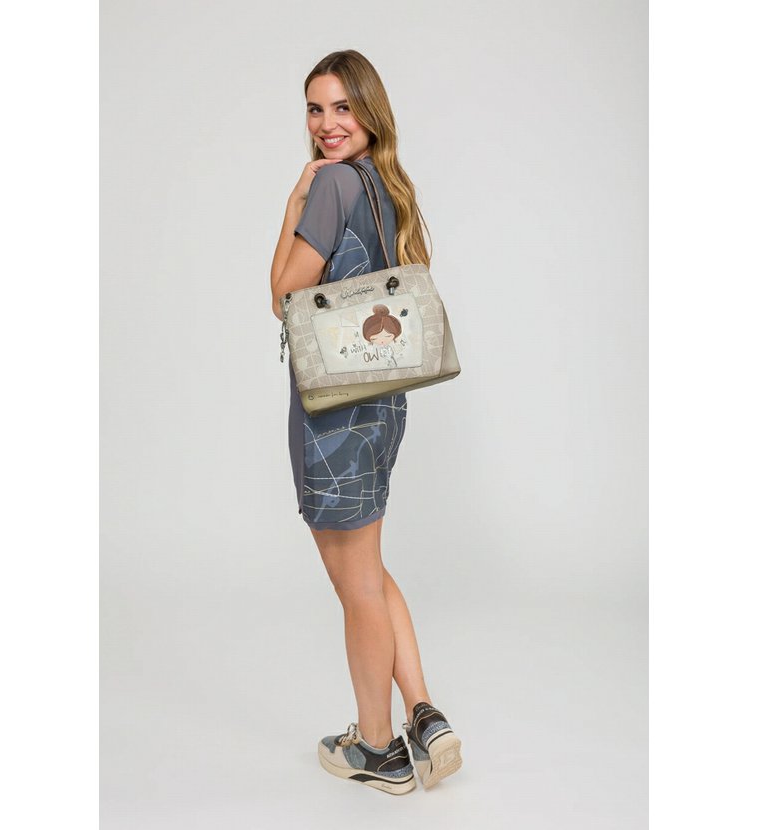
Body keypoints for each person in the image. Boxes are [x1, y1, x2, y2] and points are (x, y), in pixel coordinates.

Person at [270, 50, 462, 795]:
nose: (327, 124)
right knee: (370, 572)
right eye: (315, 109)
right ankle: (424, 714)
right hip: (383, 404)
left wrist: (293, 203)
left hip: (337, 416)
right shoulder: (385, 184)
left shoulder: (331, 185)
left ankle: (377, 749)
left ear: (369, 111)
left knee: (355, 588)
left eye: (342, 107)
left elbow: (283, 293)